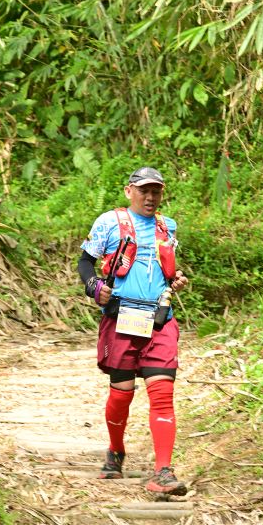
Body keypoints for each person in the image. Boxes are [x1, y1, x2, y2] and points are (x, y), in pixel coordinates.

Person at [78, 166, 188, 496]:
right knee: (121, 393)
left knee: (162, 392)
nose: (150, 197)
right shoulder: (109, 222)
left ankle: (163, 472)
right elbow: (85, 262)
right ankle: (115, 451)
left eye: (156, 191)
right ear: (130, 191)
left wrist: (176, 278)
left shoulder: (167, 227)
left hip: (159, 318)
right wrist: (94, 286)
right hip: (121, 318)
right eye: (144, 190)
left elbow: (163, 269)